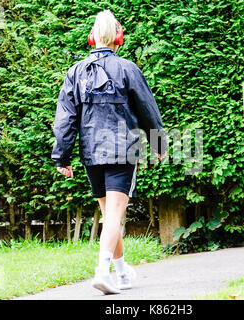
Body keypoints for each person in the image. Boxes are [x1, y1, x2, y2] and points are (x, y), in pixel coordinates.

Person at [51, 9, 166, 295]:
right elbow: (148, 110)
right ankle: (102, 271)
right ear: (118, 37)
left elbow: (65, 118)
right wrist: (160, 145)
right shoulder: (127, 68)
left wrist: (61, 157)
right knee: (115, 214)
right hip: (123, 151)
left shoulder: (75, 72)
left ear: (92, 38)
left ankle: (122, 271)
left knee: (109, 215)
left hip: (91, 153)